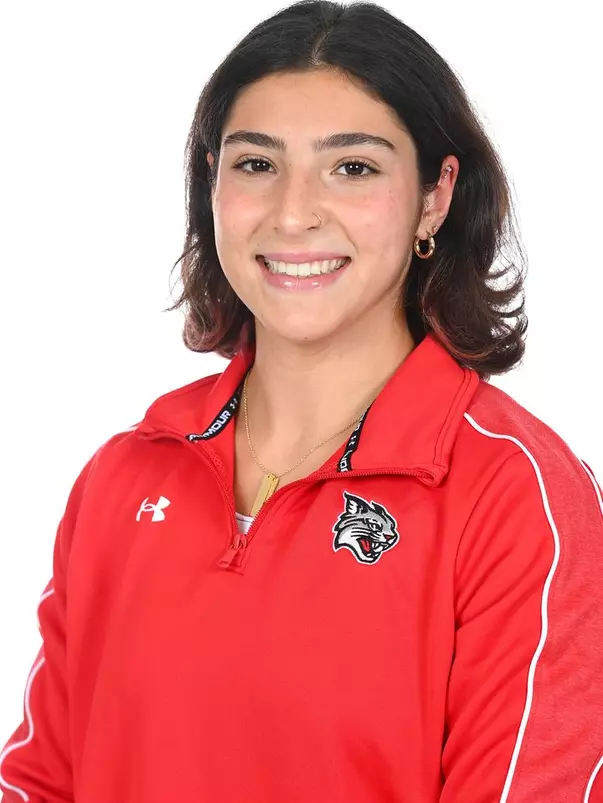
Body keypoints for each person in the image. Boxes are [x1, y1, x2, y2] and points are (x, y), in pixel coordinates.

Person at [1, 1, 602, 800]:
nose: (292, 212)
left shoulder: (513, 494)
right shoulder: (123, 474)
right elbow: (39, 779)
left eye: (352, 167)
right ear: (210, 183)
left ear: (434, 197)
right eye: (256, 164)